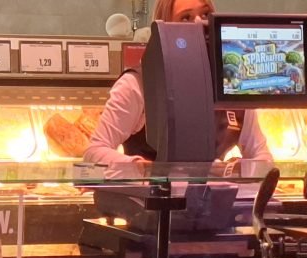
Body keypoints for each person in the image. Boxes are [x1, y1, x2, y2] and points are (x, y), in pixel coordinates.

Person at [82, 0, 272, 172]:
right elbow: (94, 152)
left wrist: (238, 169)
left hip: (213, 199)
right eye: (186, 18)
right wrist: (142, 168)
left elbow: (263, 157)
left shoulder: (234, 84)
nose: (200, 23)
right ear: (164, 29)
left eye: (205, 14)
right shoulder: (137, 85)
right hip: (150, 199)